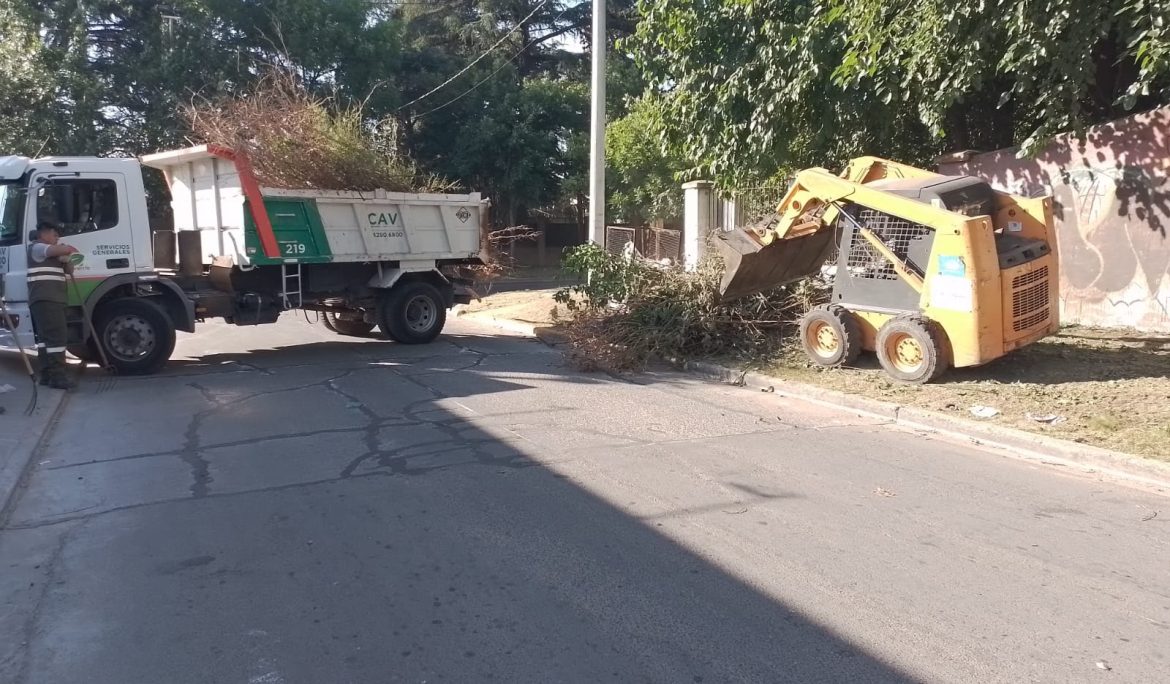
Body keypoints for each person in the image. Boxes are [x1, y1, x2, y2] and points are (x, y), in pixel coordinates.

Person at [27, 221, 78, 389]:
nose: (57, 239)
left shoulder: (52, 255)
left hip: (51, 299)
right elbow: (65, 249)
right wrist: (67, 249)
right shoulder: (38, 248)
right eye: (55, 235)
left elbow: (70, 270)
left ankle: (47, 374)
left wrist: (65, 260)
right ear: (45, 234)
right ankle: (58, 376)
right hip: (47, 299)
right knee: (57, 337)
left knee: (45, 340)